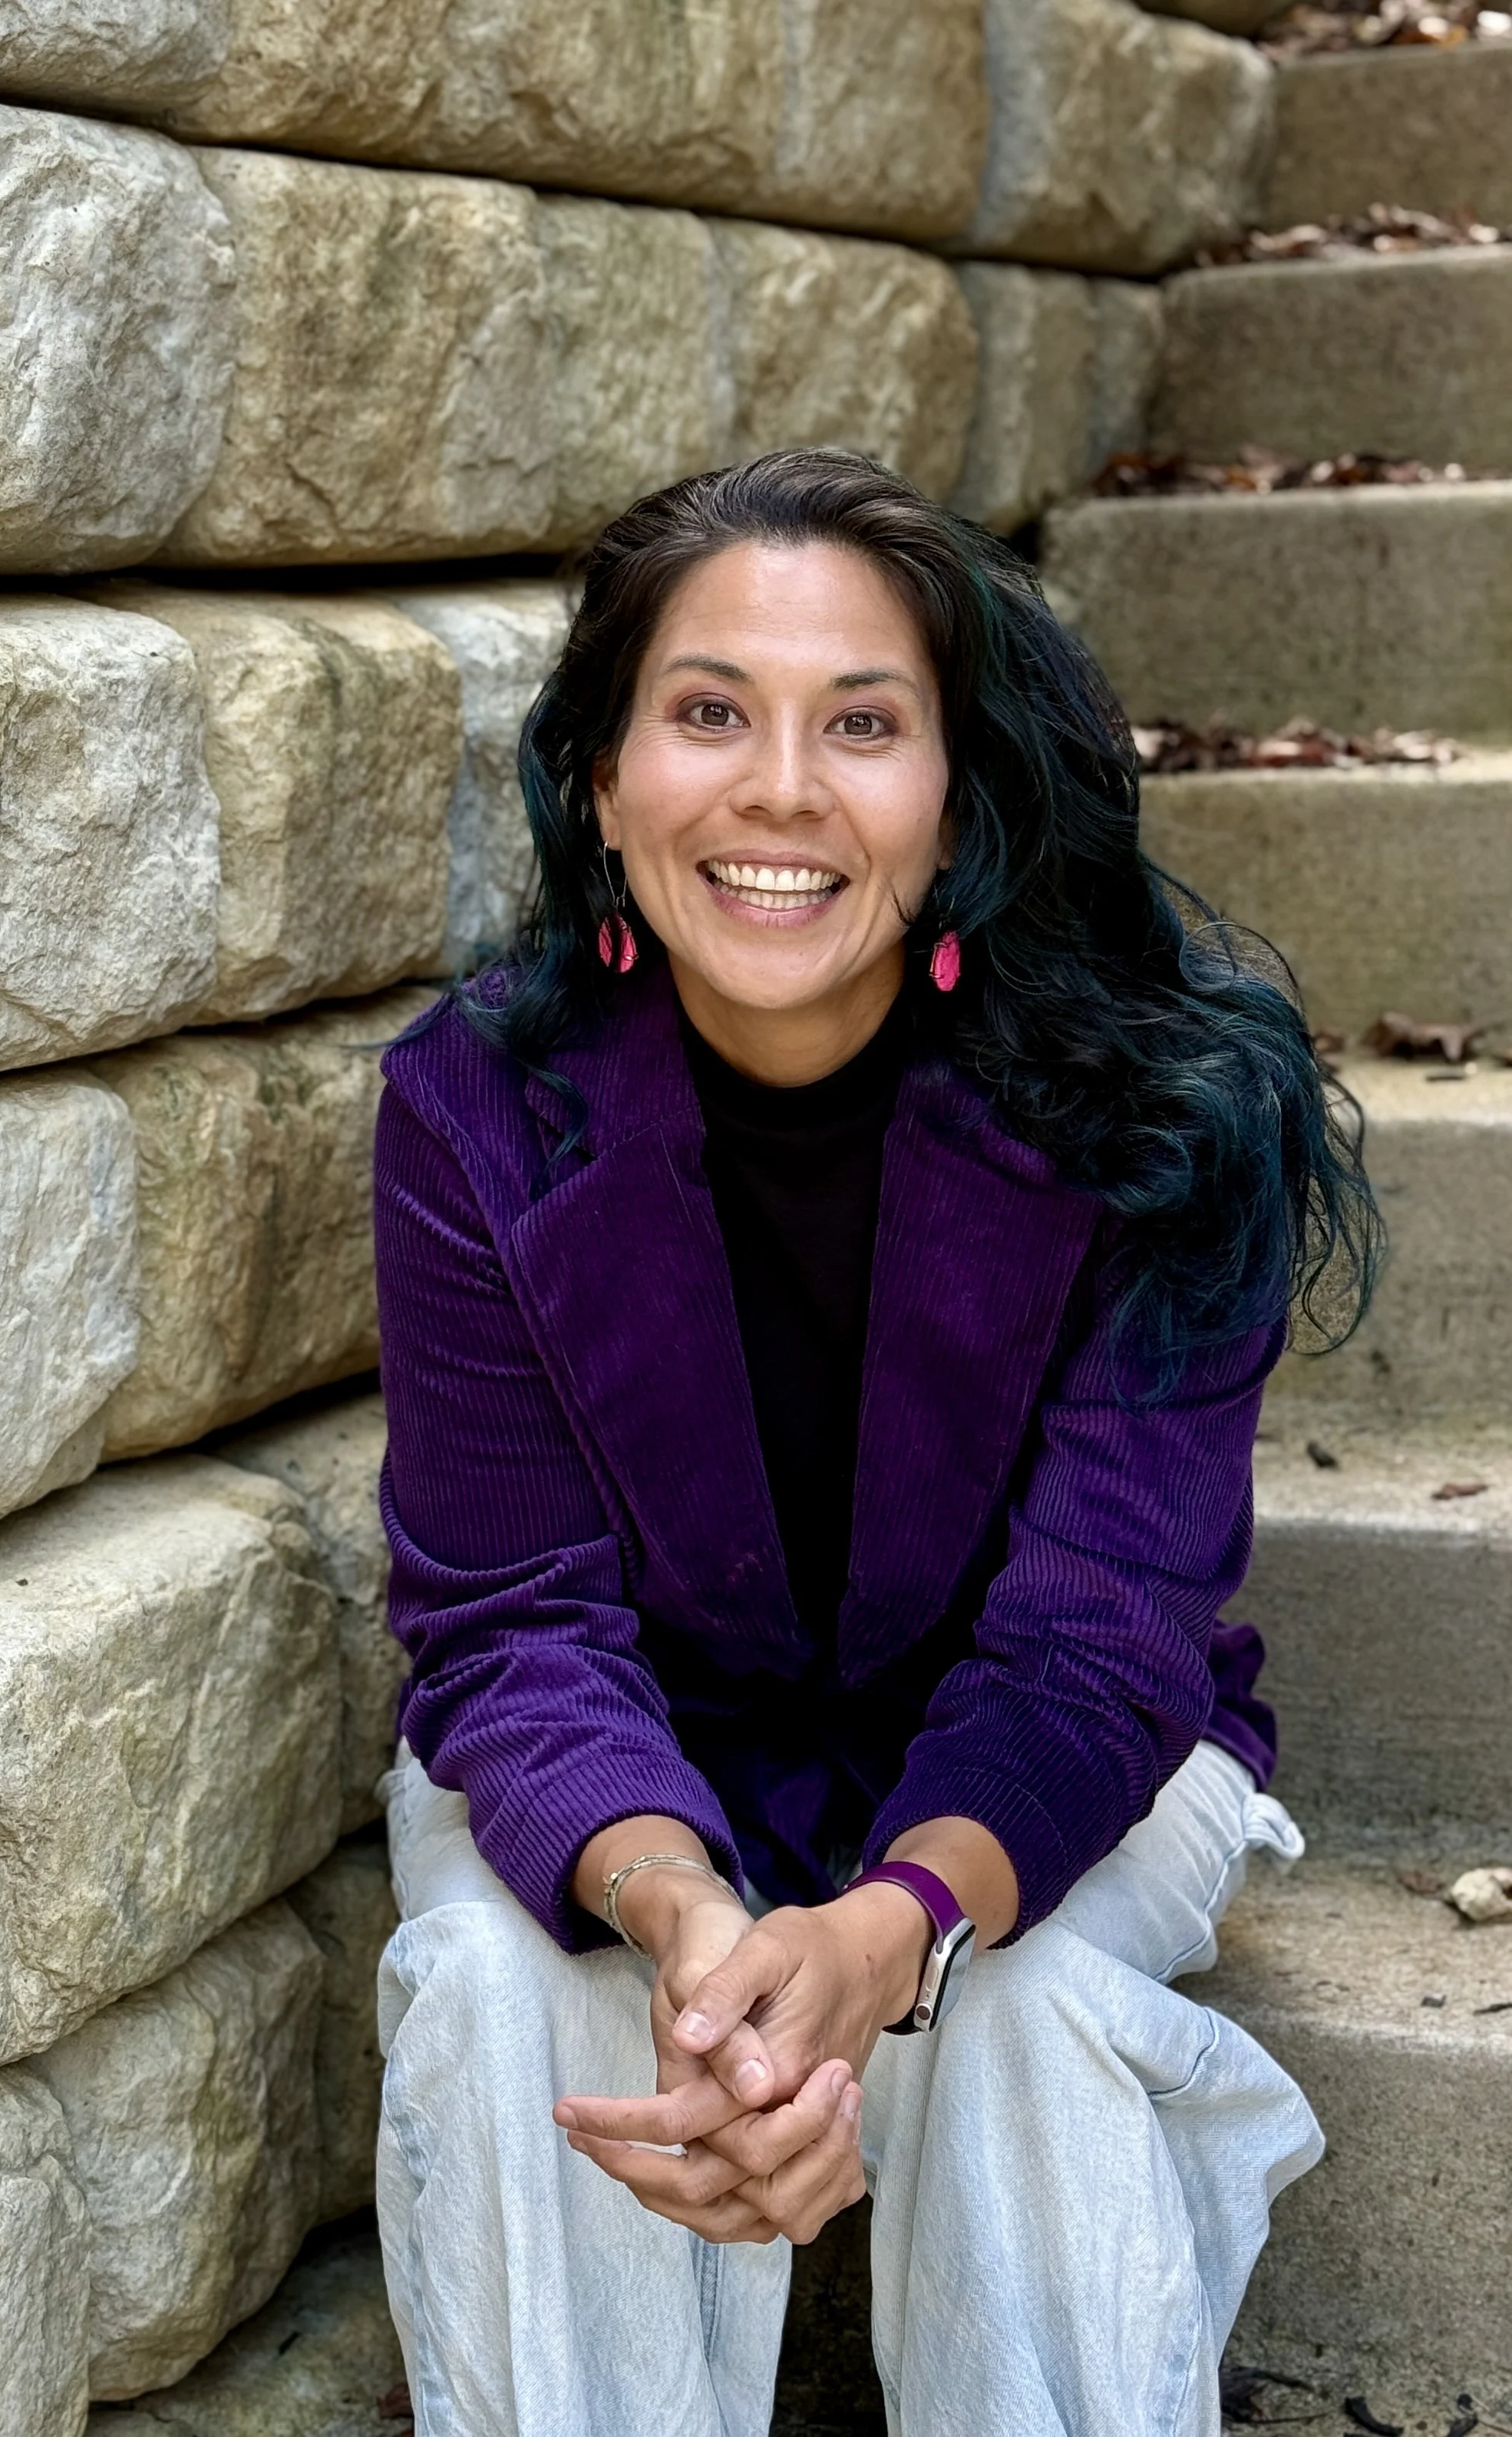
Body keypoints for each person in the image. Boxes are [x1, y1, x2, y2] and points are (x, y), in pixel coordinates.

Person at [368, 451, 1378, 2437]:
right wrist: (681, 1907)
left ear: (960, 793)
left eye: (862, 725)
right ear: (601, 775)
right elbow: (506, 1616)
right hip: (620, 1746)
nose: (777, 790)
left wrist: (892, 1923)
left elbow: (1101, 1633)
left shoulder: (1162, 1110)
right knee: (510, 1998)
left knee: (1030, 2027)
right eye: (708, 711)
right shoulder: (479, 1111)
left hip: (1043, 1760)